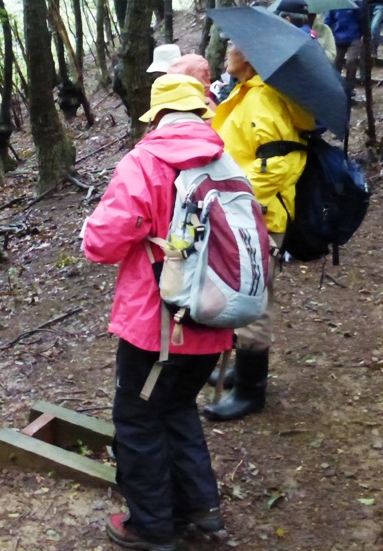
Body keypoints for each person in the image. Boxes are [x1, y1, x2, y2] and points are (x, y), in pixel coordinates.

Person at [83, 75, 230, 551]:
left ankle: (151, 528)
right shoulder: (225, 159)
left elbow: (102, 243)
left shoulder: (145, 162)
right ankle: (200, 507)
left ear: (159, 115)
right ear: (200, 111)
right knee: (178, 406)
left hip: (159, 325)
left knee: (138, 419)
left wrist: (91, 227)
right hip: (215, 314)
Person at [202, 41, 316, 422]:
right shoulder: (247, 91)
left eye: (233, 46)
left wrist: (230, 190)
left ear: (249, 56)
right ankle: (244, 369)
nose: (227, 50)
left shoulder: (263, 99)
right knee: (244, 292)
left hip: (259, 217)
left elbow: (283, 161)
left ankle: (251, 391)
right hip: (247, 213)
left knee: (255, 302)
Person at [326, 0, 364, 90]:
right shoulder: (332, 4)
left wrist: (364, 34)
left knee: (351, 61)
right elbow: (328, 21)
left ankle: (349, 87)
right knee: (336, 62)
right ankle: (336, 87)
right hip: (337, 38)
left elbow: (362, 19)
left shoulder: (355, 2)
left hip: (354, 37)